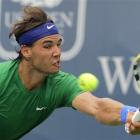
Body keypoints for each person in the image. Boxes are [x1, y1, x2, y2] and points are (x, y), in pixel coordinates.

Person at [0, 6, 139, 139]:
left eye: (58, 44)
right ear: (26, 51)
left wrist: (132, 115)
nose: (57, 52)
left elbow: (98, 107)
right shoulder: (2, 78)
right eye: (47, 46)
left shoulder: (60, 84)